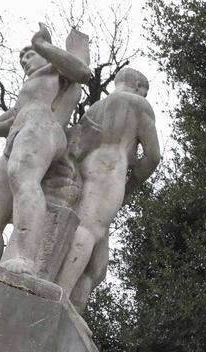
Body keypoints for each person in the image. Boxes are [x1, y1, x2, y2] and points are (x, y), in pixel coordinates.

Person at [0, 25, 91, 273]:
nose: (24, 60)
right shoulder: (32, 86)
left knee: (23, 179)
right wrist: (12, 118)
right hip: (18, 135)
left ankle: (24, 258)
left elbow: (83, 72)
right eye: (22, 57)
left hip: (43, 126)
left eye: (29, 53)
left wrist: (42, 44)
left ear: (47, 53)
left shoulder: (59, 70)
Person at [55, 67, 160, 310]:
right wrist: (130, 184)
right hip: (111, 168)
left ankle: (73, 307)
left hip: (84, 167)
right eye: (144, 90)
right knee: (87, 231)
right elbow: (153, 157)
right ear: (137, 86)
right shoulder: (138, 104)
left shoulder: (94, 109)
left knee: (98, 261)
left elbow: (76, 145)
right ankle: (60, 294)